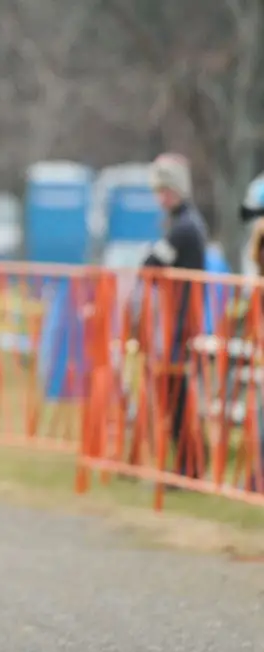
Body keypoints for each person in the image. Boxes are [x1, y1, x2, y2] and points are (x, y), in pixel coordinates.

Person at [141, 152, 207, 478]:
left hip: (181, 325)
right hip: (178, 323)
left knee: (178, 398)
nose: (160, 197)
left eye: (164, 190)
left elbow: (150, 265)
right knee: (175, 397)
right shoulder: (184, 224)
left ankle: (190, 465)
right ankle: (188, 463)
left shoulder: (183, 228)